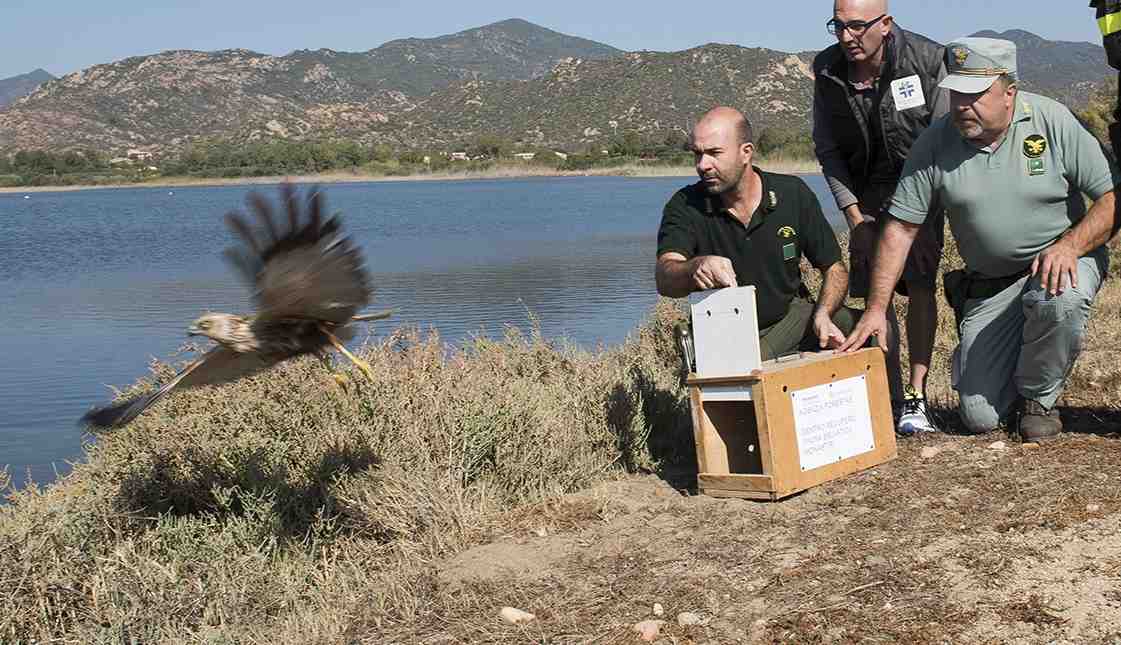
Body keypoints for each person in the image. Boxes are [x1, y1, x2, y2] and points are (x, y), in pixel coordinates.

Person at [839, 37, 1119, 441]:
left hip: (1059, 262)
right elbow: (901, 228)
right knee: (980, 417)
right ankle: (998, 337)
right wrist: (876, 309)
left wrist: (1071, 245)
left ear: (1010, 93)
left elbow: (1111, 197)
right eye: (955, 94)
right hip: (993, 286)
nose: (961, 105)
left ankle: (1038, 399)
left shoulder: (1052, 120)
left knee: (1059, 299)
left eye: (974, 94)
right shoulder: (935, 141)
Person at [656, 106, 902, 399]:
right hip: (731, 338)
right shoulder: (685, 205)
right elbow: (665, 276)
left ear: (746, 152)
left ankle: (895, 409)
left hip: (794, 321)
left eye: (714, 153)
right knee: (748, 379)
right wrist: (693, 268)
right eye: (697, 154)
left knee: (876, 330)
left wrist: (824, 313)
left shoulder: (792, 194)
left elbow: (834, 268)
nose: (702, 165)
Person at [812, 0, 948, 435]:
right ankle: (889, 399)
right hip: (865, 197)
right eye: (838, 26)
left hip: (921, 186)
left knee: (922, 286)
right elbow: (828, 148)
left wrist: (928, 200)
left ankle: (917, 396)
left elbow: (947, 136)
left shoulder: (928, 59)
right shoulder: (828, 70)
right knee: (877, 294)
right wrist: (852, 214)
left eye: (856, 27)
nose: (846, 36)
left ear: (885, 24)